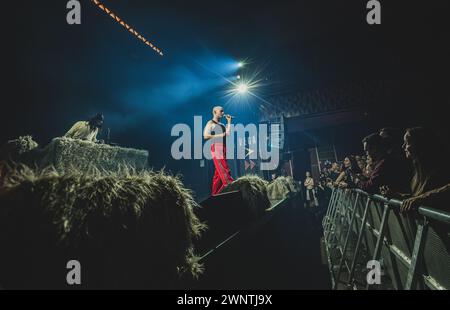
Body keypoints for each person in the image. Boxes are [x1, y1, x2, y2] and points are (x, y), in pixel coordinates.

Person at [399, 127, 450, 213]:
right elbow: (417, 196)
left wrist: (420, 198)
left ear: (420, 144)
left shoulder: (441, 169)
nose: (403, 146)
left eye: (407, 142)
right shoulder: (418, 173)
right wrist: (398, 196)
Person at [203, 106, 234, 196]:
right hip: (216, 147)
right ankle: (231, 185)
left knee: (218, 174)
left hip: (224, 147)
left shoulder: (222, 124)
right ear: (214, 112)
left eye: (223, 111)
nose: (223, 113)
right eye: (221, 111)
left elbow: (227, 134)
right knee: (224, 168)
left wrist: (229, 122)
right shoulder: (210, 123)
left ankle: (215, 194)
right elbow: (205, 135)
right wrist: (221, 135)